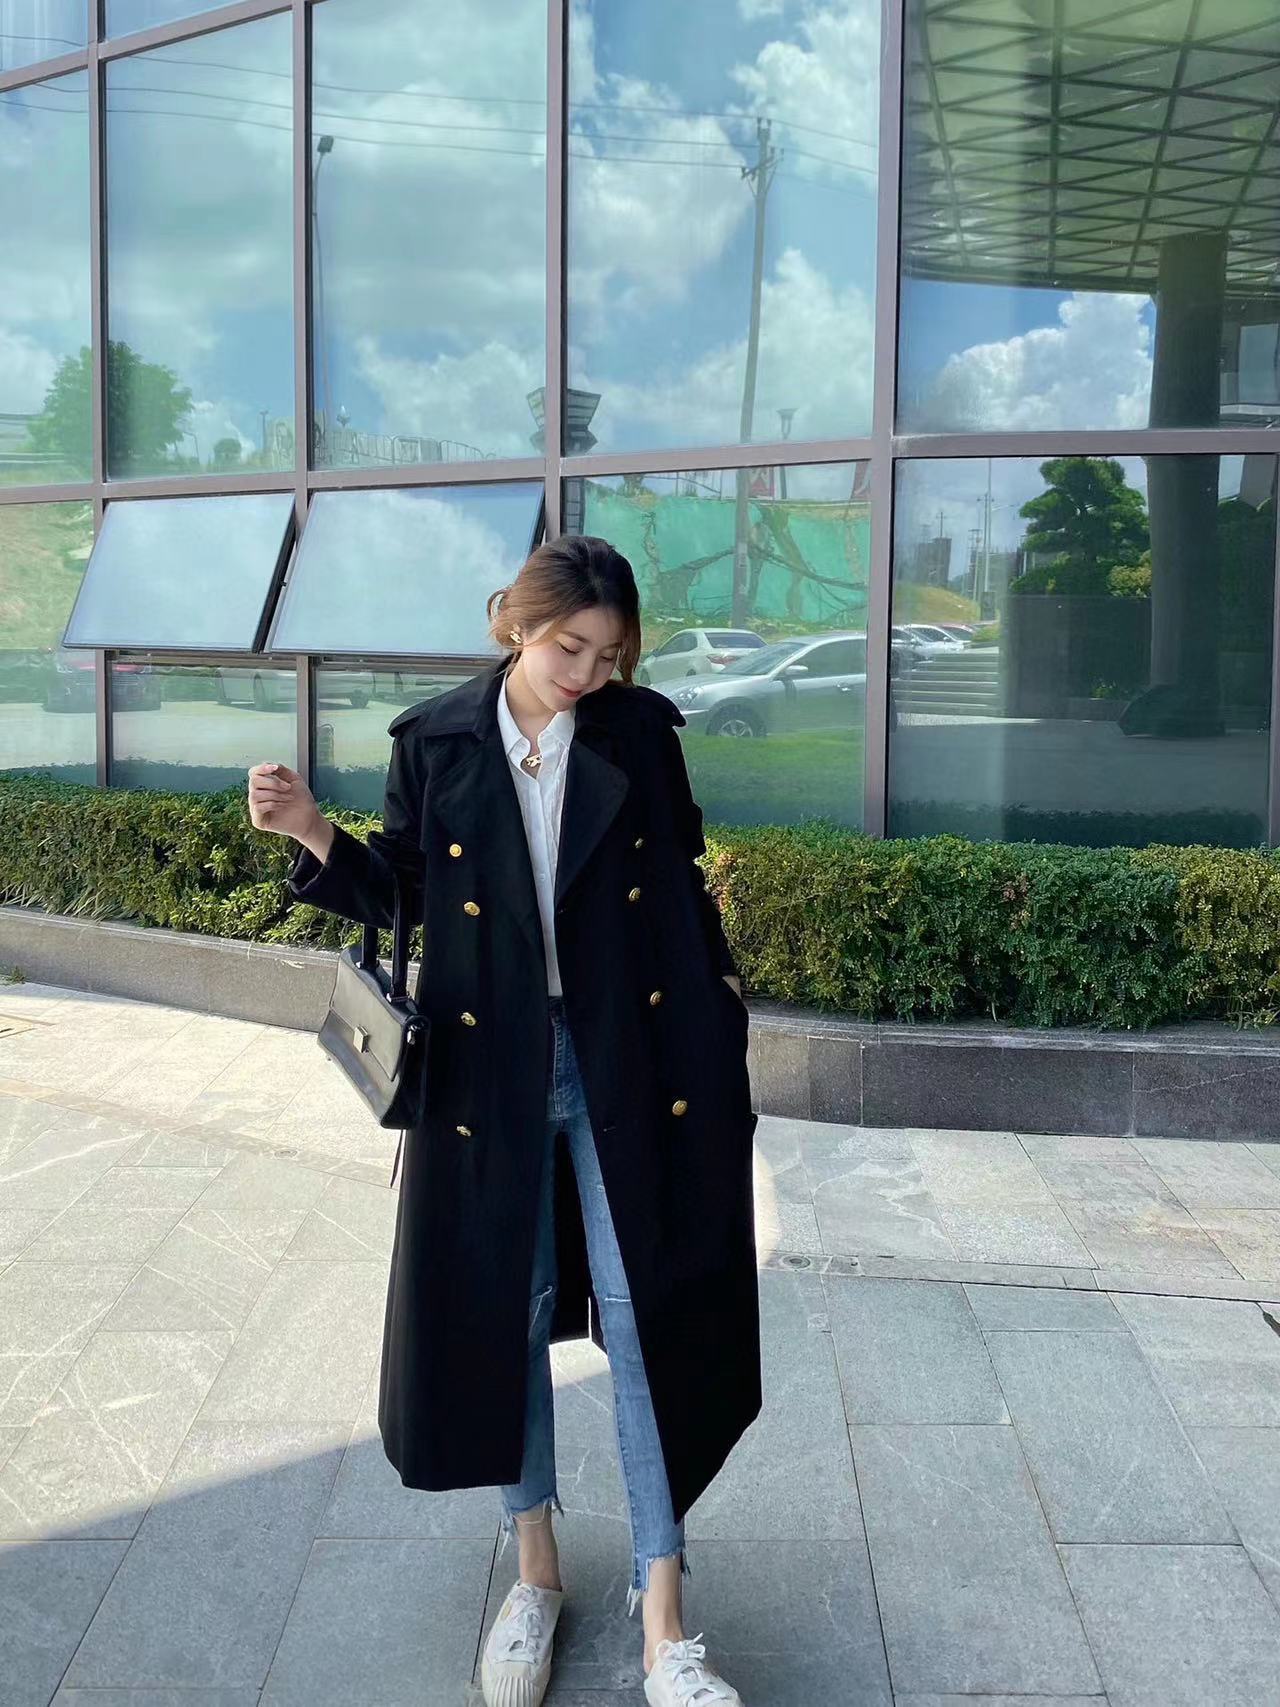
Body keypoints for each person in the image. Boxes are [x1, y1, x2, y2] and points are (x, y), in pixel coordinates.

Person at [248, 535, 760, 1707]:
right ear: (516, 625)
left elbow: (679, 888)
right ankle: (534, 1575)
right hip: (489, 1072)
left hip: (629, 1060)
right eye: (568, 647)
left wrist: (721, 1016)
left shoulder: (636, 733)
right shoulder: (436, 740)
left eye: (608, 654)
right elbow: (407, 892)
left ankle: (663, 1617)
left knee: (644, 1319)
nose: (586, 673)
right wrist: (313, 835)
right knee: (504, 1316)